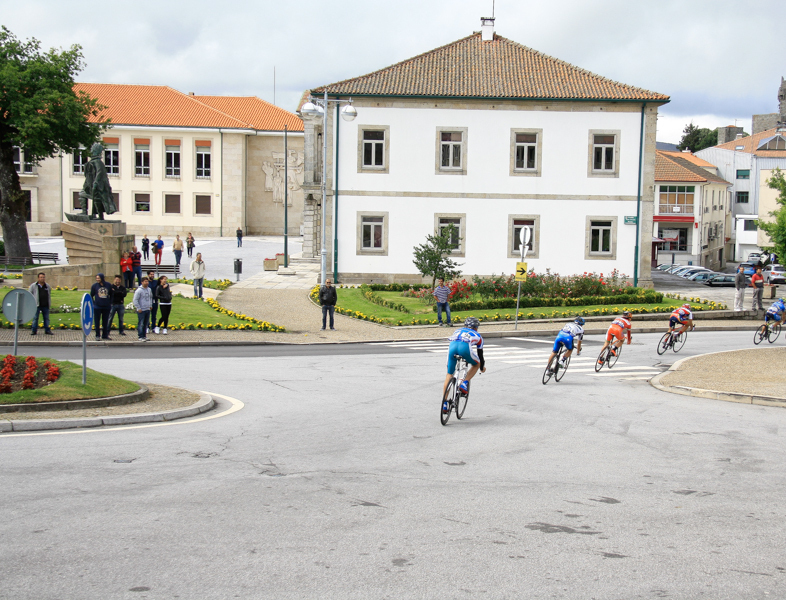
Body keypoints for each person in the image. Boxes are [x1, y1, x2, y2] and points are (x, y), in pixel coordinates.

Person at [444, 316, 486, 399]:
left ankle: (444, 402)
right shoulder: (478, 336)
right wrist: (481, 367)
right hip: (464, 348)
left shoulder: (457, 330)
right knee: (477, 364)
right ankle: (464, 383)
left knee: (449, 374)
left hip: (452, 347)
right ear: (476, 328)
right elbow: (480, 355)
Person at [90, 273, 113, 340]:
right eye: (96, 278)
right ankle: (97, 335)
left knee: (105, 321)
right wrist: (94, 303)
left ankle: (105, 335)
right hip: (97, 306)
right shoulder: (94, 286)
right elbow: (91, 295)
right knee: (97, 321)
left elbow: (112, 294)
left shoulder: (108, 285)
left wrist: (110, 302)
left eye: (98, 278)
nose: (97, 279)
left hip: (106, 306)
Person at [133, 277, 153, 342]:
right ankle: (140, 336)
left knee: (146, 323)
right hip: (141, 309)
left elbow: (150, 298)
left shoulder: (149, 289)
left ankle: (144, 336)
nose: (146, 283)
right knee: (141, 323)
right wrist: (138, 308)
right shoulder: (139, 290)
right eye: (145, 281)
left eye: (147, 281)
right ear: (142, 282)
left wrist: (150, 305)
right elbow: (135, 300)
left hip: (147, 309)